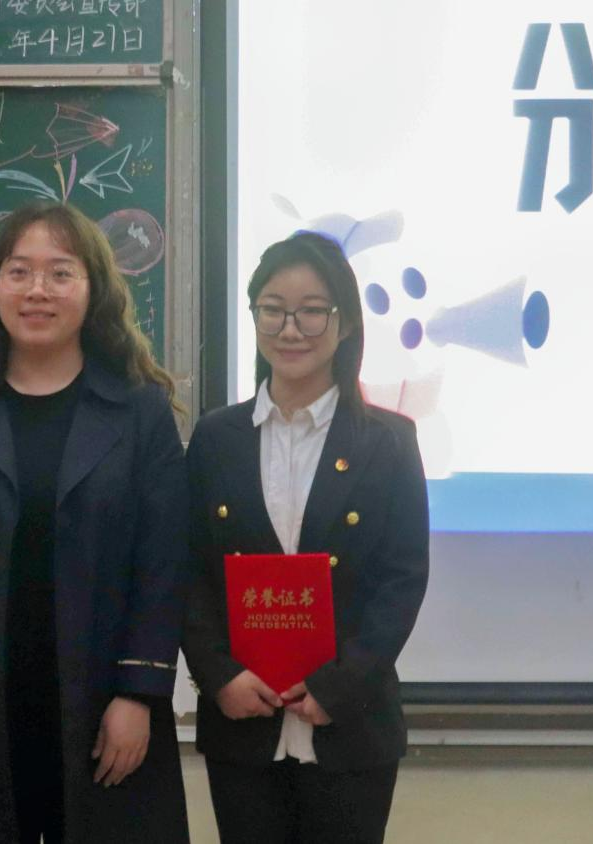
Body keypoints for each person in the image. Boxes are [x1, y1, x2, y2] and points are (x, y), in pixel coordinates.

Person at [0, 201, 190, 843]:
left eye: (60, 272)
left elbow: (162, 562)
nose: (37, 290)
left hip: (104, 700)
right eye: (19, 271)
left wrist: (138, 694)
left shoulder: (140, 408)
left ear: (94, 287)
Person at [182, 231, 429, 844]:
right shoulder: (215, 439)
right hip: (243, 723)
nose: (290, 328)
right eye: (273, 309)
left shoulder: (389, 442)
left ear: (345, 324)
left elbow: (402, 581)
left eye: (312, 310)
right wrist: (218, 676)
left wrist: (338, 688)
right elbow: (187, 571)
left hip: (352, 726)